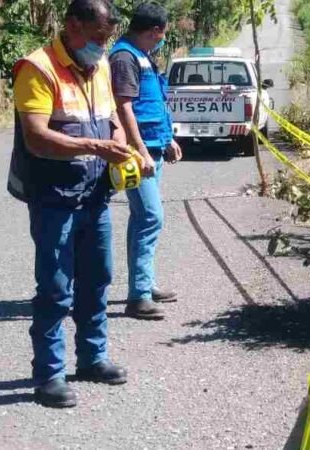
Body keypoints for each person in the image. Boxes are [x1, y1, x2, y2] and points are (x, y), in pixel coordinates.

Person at [7, 0, 129, 408]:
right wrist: (96, 145)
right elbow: (37, 138)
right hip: (55, 199)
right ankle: (49, 376)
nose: (102, 45)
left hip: (95, 196)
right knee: (56, 289)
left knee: (97, 279)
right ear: (72, 25)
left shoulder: (102, 65)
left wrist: (122, 143)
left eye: (107, 37)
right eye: (96, 37)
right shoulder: (38, 68)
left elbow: (111, 116)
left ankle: (92, 357)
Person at [109, 2, 182, 320]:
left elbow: (153, 103)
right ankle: (137, 297)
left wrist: (168, 140)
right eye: (162, 34)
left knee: (141, 218)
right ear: (154, 31)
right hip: (139, 152)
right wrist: (138, 151)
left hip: (154, 147)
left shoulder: (142, 55)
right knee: (151, 217)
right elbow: (124, 108)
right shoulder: (124, 57)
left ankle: (145, 284)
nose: (163, 38)